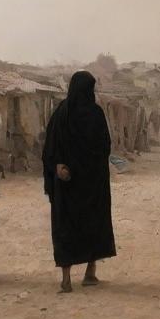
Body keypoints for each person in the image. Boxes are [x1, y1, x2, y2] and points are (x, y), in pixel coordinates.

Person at [42, 71, 117, 293]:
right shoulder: (95, 114)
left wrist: (57, 166)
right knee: (93, 223)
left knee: (66, 226)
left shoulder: (61, 114)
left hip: (66, 182)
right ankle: (90, 272)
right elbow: (105, 146)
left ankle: (66, 278)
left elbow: (49, 148)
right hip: (92, 183)